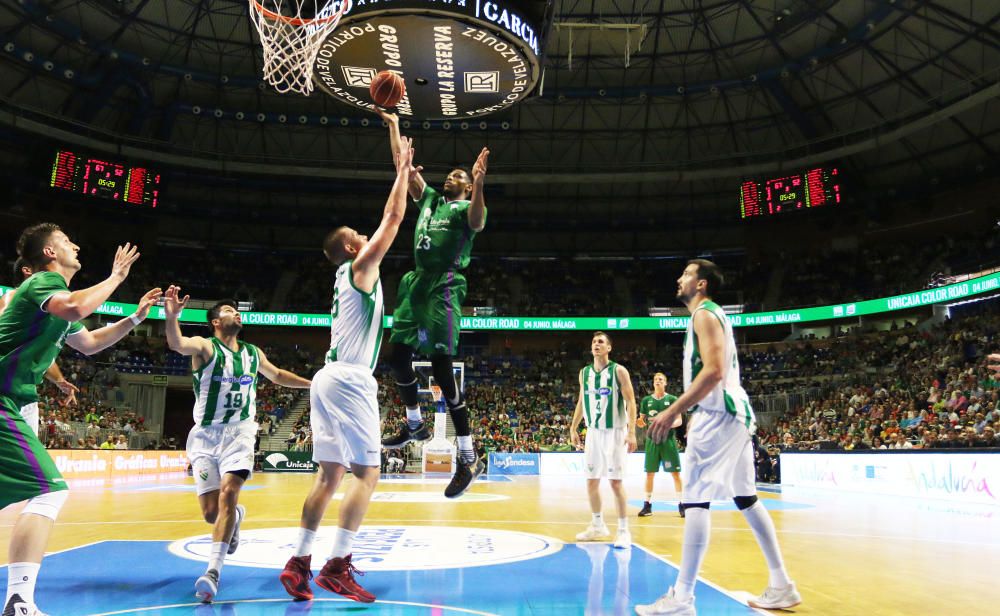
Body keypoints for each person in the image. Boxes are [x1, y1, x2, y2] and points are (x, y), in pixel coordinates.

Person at [280, 137, 414, 603]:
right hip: (352, 378)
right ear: (353, 245)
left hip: (326, 377)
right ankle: (337, 566)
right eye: (361, 233)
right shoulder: (360, 267)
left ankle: (298, 564)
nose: (366, 235)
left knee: (328, 476)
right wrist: (401, 171)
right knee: (367, 474)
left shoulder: (343, 276)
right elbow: (394, 219)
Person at [1, 223, 159, 616]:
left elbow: (89, 344)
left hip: (13, 399)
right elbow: (76, 306)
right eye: (66, 241)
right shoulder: (41, 283)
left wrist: (135, 319)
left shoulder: (54, 297)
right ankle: (18, 601)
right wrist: (116, 277)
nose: (75, 244)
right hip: (2, 398)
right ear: (50, 253)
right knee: (49, 490)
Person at [637, 260, 800, 615]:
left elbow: (713, 371)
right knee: (746, 498)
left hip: (719, 413)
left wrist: (672, 410)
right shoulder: (712, 315)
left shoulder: (704, 316)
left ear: (702, 284)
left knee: (695, 501)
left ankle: (682, 598)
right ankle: (781, 584)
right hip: (731, 413)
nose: (679, 279)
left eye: (686, 274)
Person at [163, 288, 311, 603]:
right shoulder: (204, 348)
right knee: (211, 513)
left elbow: (278, 375)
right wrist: (172, 316)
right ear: (216, 321)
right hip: (205, 437)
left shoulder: (252, 353)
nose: (237, 313)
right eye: (230, 310)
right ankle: (236, 518)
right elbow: (177, 343)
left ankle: (212, 572)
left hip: (240, 433)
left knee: (229, 493)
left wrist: (313, 384)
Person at [375, 109, 490, 498]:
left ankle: (468, 455)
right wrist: (393, 126)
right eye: (452, 175)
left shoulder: (465, 208)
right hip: (416, 283)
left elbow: (477, 221)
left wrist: (480, 182)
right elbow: (402, 167)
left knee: (442, 369)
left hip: (444, 286)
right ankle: (413, 423)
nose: (452, 178)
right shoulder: (428, 201)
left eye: (460, 177)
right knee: (395, 355)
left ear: (467, 187)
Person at [570, 332, 638, 550]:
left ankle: (623, 531)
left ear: (609, 348)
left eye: (601, 342)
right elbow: (582, 401)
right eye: (593, 342)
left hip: (615, 432)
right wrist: (573, 427)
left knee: (616, 482)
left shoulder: (619, 371)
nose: (596, 344)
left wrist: (632, 431)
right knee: (591, 481)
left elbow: (631, 401)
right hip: (593, 432)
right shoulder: (584, 373)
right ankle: (598, 525)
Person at [0, 258, 79, 434]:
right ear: (27, 271)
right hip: (5, 388)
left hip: (26, 393)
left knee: (25, 457)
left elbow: (37, 353)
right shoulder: (12, 298)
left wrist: (59, 380)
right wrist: (115, 277)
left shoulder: (48, 314)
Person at [635, 373, 683, 518]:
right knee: (650, 474)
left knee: (675, 474)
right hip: (652, 442)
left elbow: (679, 421)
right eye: (656, 380)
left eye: (660, 379)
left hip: (668, 442)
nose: (657, 381)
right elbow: (641, 420)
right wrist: (640, 423)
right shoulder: (646, 400)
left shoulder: (672, 399)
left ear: (665, 383)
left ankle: (682, 504)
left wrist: (667, 425)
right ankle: (647, 505)